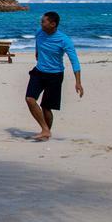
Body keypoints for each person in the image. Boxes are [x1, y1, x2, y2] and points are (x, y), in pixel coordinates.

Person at [25, 10, 84, 142]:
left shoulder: (64, 40)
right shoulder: (39, 32)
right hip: (39, 72)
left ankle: (46, 132)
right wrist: (37, 52)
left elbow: (74, 61)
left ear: (53, 24)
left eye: (43, 21)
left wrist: (78, 82)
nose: (41, 23)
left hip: (55, 75)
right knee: (30, 99)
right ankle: (45, 130)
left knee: (46, 107)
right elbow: (37, 41)